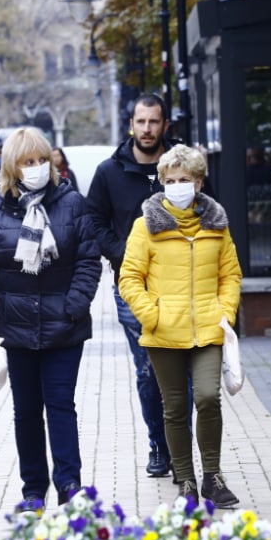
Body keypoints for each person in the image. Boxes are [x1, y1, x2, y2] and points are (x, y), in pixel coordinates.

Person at [0, 128, 102, 511]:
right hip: (15, 326)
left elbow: (88, 261)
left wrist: (73, 306)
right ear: (12, 167)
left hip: (65, 324)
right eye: (28, 162)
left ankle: (69, 484)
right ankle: (33, 490)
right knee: (26, 410)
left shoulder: (72, 203)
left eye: (42, 160)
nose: (37, 168)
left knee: (61, 404)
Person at [118, 144, 242, 508]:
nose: (176, 185)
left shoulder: (216, 224)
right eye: (169, 180)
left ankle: (213, 476)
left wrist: (225, 313)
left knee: (207, 397)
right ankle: (185, 480)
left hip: (208, 328)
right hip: (163, 332)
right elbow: (129, 277)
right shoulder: (146, 226)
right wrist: (151, 314)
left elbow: (230, 274)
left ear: (199, 182)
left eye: (184, 179)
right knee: (173, 408)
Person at [85, 93, 180, 479]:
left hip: (180, 287)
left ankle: (182, 450)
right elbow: (93, 223)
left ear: (165, 125)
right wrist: (124, 254)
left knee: (184, 376)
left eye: (154, 122)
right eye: (141, 122)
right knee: (148, 372)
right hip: (133, 288)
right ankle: (159, 444)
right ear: (131, 125)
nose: (147, 129)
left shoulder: (181, 167)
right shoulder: (109, 172)